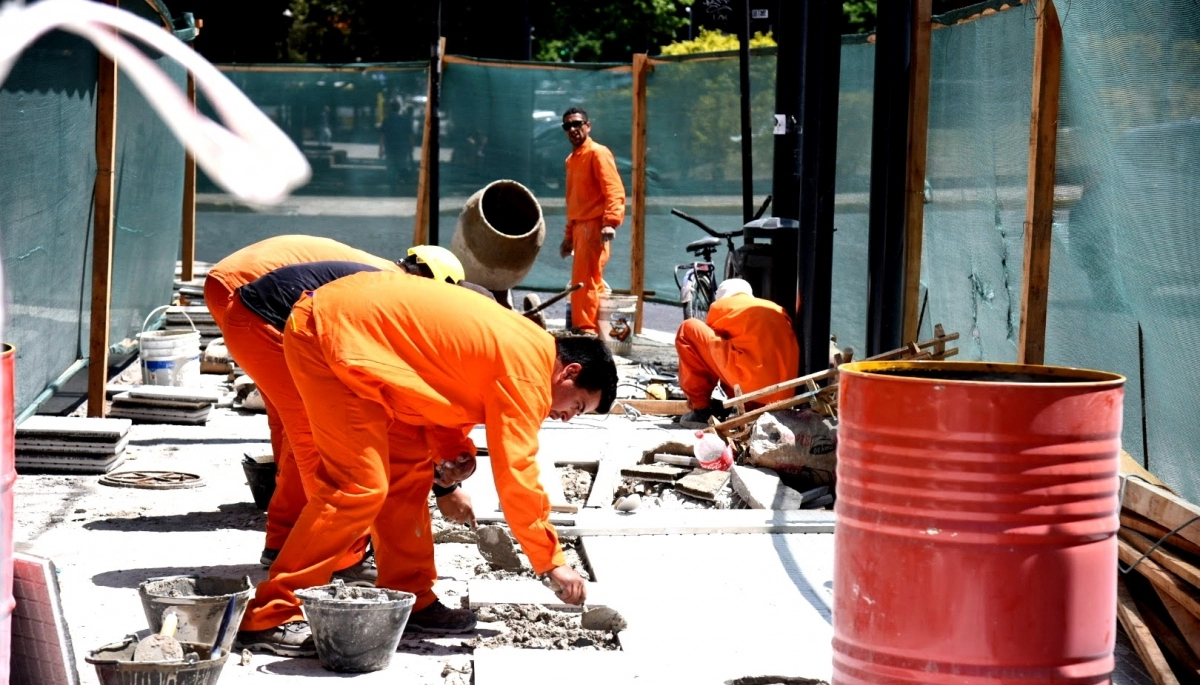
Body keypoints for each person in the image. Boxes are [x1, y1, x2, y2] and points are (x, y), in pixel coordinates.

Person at [236, 271, 618, 656]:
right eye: (577, 405)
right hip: (330, 337)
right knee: (357, 487)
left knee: (408, 472)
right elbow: (517, 473)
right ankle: (271, 615)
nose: (567, 416)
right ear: (570, 372)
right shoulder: (528, 373)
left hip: (357, 339)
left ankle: (410, 596)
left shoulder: (525, 350)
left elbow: (439, 381)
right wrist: (551, 561)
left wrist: (452, 445)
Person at [205, 237, 468, 578]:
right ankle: (344, 556)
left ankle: (285, 540)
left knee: (296, 429)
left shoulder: (384, 280)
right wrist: (444, 484)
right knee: (321, 439)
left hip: (249, 299)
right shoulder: (392, 290)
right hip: (256, 306)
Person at [674, 279, 800, 428]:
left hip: (751, 383)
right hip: (784, 393)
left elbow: (709, 358)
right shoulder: (776, 308)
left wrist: (700, 397)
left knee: (688, 329)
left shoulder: (721, 307)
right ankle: (751, 406)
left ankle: (701, 411)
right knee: (745, 353)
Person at [558, 107, 626, 334]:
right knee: (588, 281)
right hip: (580, 227)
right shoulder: (572, 160)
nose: (573, 129)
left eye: (577, 124)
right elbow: (574, 202)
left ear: (588, 125)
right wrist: (568, 237)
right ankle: (592, 331)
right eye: (568, 126)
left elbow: (614, 190)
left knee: (585, 281)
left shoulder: (598, 153)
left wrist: (610, 222)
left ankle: (586, 331)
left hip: (594, 226)